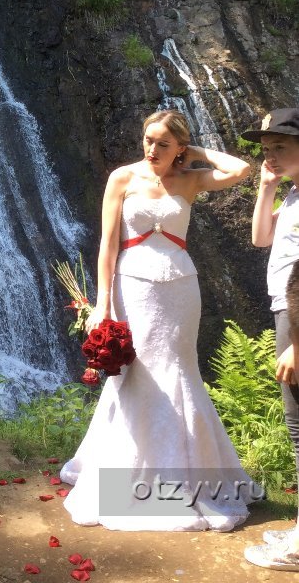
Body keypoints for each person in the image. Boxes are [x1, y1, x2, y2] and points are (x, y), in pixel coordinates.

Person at [60, 109, 256, 531]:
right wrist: (103, 305)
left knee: (181, 372)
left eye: (163, 144)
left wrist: (193, 153)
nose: (152, 150)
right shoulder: (123, 178)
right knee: (136, 375)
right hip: (133, 287)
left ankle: (192, 481)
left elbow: (241, 169)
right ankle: (123, 483)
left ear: (179, 148)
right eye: (148, 140)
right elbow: (106, 248)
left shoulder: (191, 178)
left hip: (181, 288)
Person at [240, 108, 299, 571]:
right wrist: (266, 186)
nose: (271, 156)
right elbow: (262, 237)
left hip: (297, 318)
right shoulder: (294, 195)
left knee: (298, 423)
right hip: (286, 309)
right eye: (266, 150)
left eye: (281, 146)